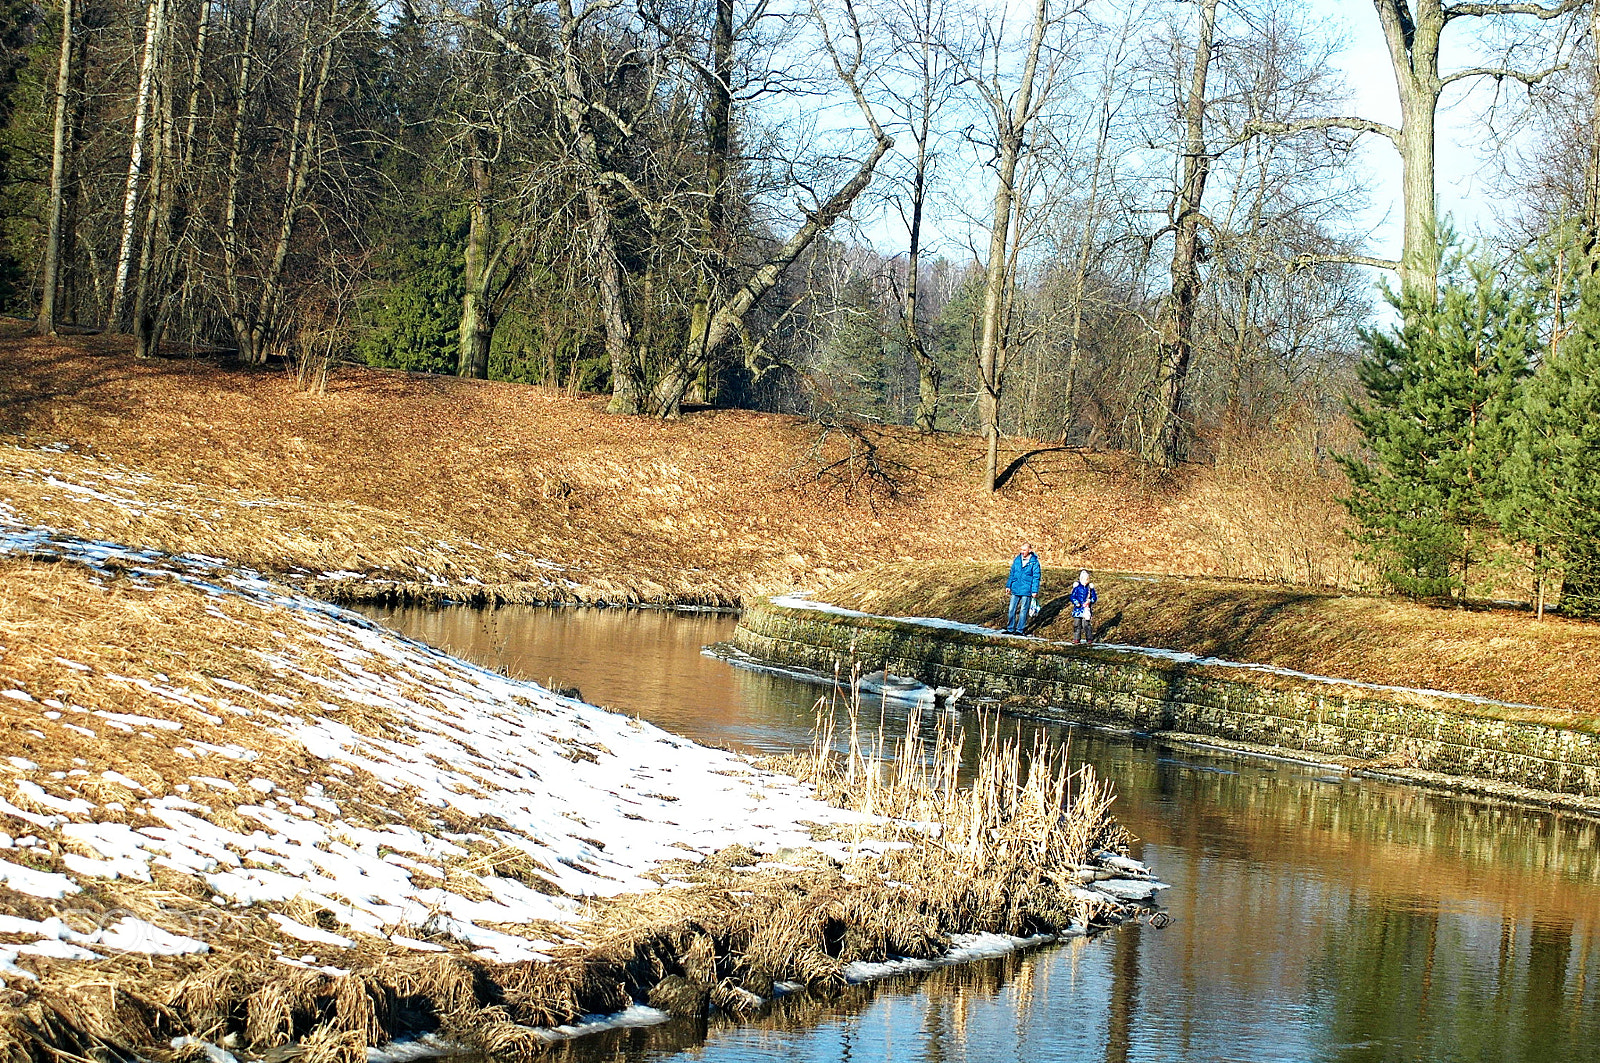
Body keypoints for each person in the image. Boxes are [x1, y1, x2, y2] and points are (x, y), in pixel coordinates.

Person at [1004, 543, 1041, 634]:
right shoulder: (1017, 560)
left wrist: (1034, 591)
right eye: (1021, 550)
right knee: (1011, 609)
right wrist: (1008, 585)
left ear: (1030, 550)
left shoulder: (1034, 562)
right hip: (1016, 588)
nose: (1022, 552)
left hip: (1027, 590)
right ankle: (1010, 628)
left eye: (1024, 550)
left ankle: (1020, 630)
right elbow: (1012, 573)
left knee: (1023, 610)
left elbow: (1036, 577)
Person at [1069, 569, 1098, 645]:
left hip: (1086, 610)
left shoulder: (1090, 589)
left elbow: (1094, 597)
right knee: (1077, 625)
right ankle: (1076, 639)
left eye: (1087, 579)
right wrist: (1076, 602)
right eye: (1084, 579)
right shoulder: (1077, 588)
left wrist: (1090, 601)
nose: (1086, 581)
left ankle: (1089, 639)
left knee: (1086, 625)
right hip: (1078, 610)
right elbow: (1072, 596)